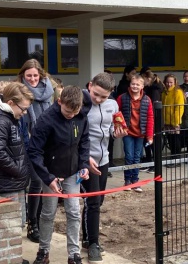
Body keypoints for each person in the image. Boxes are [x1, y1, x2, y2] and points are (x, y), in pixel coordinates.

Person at [29, 86, 90, 264]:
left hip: (72, 171)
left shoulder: (81, 116)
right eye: (67, 111)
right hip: (50, 172)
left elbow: (84, 141)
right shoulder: (46, 120)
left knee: (73, 211)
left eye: (75, 111)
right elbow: (34, 151)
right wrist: (48, 177)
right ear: (59, 102)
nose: (71, 115)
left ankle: (73, 254)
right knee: (48, 212)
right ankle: (43, 251)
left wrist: (84, 164)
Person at [82, 73, 127, 263]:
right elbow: (74, 134)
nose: (99, 99)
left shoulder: (113, 105)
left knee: (98, 201)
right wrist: (84, 159)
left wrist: (117, 134)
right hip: (87, 160)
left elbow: (110, 130)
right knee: (92, 203)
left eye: (104, 96)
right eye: (96, 94)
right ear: (90, 85)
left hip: (104, 159)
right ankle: (93, 243)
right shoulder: (81, 103)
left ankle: (87, 237)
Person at [0, 82, 34, 230]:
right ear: (10, 102)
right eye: (23, 109)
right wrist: (18, 170)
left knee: (19, 223)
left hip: (15, 180)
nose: (24, 113)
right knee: (10, 226)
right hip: (8, 182)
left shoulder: (11, 118)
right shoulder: (0, 121)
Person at [16, 58, 54, 243]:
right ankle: (32, 223)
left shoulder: (49, 91)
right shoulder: (17, 91)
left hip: (46, 143)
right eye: (28, 75)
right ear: (23, 75)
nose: (32, 79)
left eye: (35, 75)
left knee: (42, 183)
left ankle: (38, 221)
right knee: (35, 181)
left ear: (41, 75)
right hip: (28, 143)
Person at [117, 74, 154, 189]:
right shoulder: (122, 98)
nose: (135, 86)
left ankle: (135, 181)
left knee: (137, 157)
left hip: (140, 133)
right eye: (133, 84)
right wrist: (118, 128)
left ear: (142, 86)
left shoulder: (147, 100)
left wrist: (149, 136)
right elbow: (116, 114)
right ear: (129, 84)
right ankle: (127, 180)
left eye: (138, 84)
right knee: (128, 156)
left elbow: (150, 118)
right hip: (127, 132)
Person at [141, 70, 164, 173]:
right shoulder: (150, 88)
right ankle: (149, 162)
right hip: (150, 119)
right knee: (147, 142)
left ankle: (154, 164)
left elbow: (153, 107)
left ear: (147, 78)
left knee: (152, 143)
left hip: (154, 120)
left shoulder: (154, 90)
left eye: (143, 79)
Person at [162, 74, 185, 168]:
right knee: (170, 141)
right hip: (166, 121)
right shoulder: (164, 93)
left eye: (171, 82)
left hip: (174, 121)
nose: (169, 84)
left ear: (175, 82)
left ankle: (177, 160)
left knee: (175, 141)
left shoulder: (178, 92)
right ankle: (173, 158)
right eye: (167, 82)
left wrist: (176, 121)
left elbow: (179, 108)